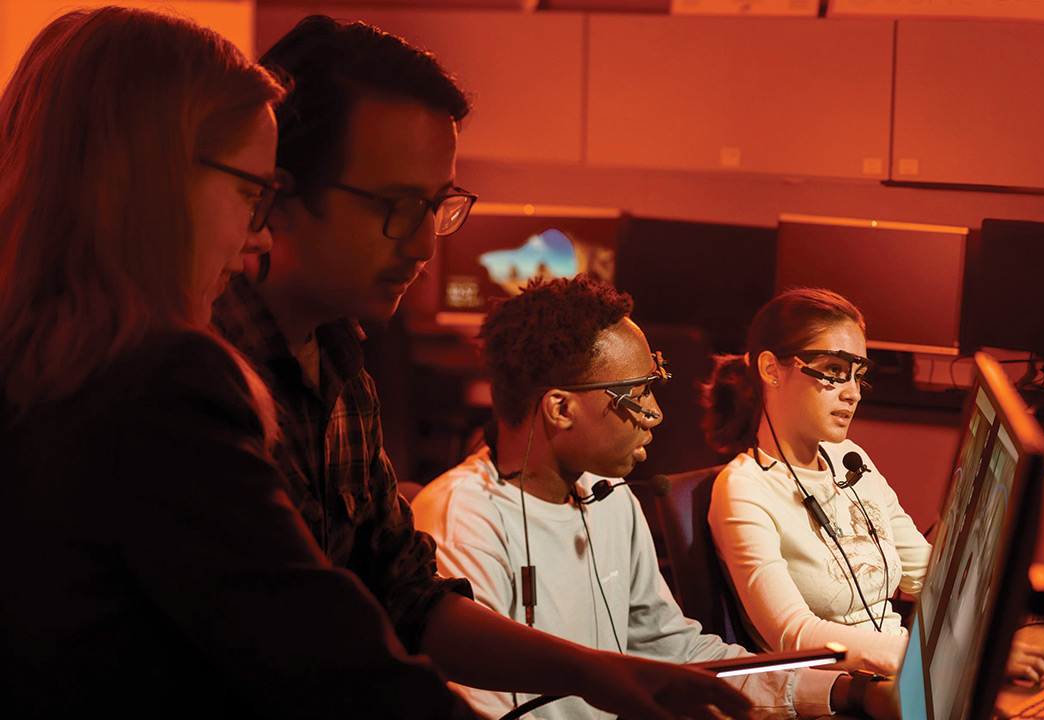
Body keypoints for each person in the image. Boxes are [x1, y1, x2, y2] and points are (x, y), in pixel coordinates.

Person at [213, 15, 753, 720]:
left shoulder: (343, 367)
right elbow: (315, 654)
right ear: (278, 193)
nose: (423, 246)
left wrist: (600, 674)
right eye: (397, 207)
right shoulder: (204, 380)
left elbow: (408, 598)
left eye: (437, 208)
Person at [0, 7, 480, 718]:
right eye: (250, 194)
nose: (256, 235)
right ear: (159, 180)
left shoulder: (45, 363)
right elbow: (338, 670)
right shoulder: (160, 382)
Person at [413, 275, 898, 720]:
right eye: (636, 395)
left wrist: (847, 691)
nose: (655, 414)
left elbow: (679, 652)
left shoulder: (608, 497)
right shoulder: (464, 520)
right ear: (560, 408)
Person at [701, 287, 1044, 682]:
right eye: (834, 372)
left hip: (909, 674)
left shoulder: (851, 459)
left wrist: (1011, 625)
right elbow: (794, 636)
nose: (852, 393)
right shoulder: (744, 489)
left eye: (858, 377)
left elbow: (926, 576)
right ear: (771, 370)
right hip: (845, 695)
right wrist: (953, 658)